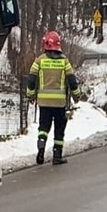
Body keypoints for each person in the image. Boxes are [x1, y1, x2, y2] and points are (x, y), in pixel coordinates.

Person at [26, 30, 82, 165]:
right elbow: (72, 80)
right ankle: (57, 156)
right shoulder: (64, 61)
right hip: (60, 103)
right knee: (59, 129)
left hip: (44, 102)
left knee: (43, 128)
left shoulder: (39, 60)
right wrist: (76, 95)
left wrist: (30, 94)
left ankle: (41, 149)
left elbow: (31, 79)